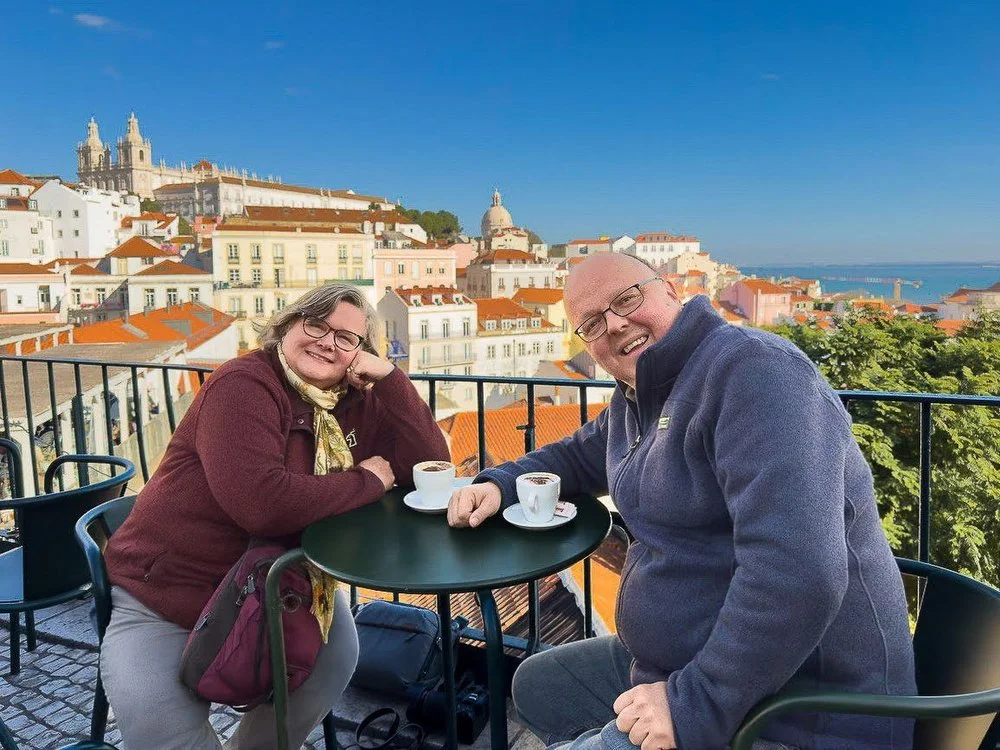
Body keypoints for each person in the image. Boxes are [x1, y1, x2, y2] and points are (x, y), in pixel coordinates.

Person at [448, 253, 916, 750]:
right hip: (678, 663)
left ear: (670, 289)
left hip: (795, 708)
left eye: (626, 299)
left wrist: (695, 704)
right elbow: (579, 455)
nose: (615, 325)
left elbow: (799, 572)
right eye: (592, 324)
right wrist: (500, 484)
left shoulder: (755, 371)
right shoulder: (641, 395)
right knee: (538, 685)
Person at [102, 283, 450, 749]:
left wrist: (391, 380)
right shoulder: (244, 384)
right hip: (169, 593)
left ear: (360, 356)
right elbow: (261, 504)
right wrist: (367, 481)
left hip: (281, 588)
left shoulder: (355, 402)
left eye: (347, 338)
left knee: (337, 657)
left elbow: (431, 468)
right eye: (316, 325)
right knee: (163, 736)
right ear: (287, 326)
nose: (327, 343)